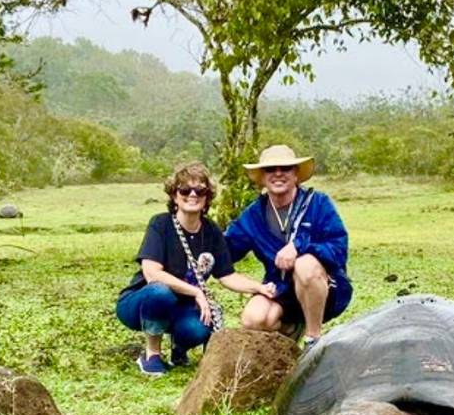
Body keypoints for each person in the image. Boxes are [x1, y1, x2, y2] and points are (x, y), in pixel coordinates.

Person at [116, 162, 277, 376]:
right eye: (185, 190)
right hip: (141, 302)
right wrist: (196, 292)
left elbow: (227, 275)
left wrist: (259, 287)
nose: (192, 195)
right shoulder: (161, 224)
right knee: (160, 292)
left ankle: (179, 347)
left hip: (182, 307)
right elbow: (152, 273)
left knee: (199, 328)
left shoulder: (212, 232)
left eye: (200, 190)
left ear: (207, 198)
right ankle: (151, 354)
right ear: (174, 196)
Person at [226, 144, 353, 347]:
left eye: (285, 168)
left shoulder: (318, 204)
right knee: (253, 319)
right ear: (262, 177)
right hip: (280, 288)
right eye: (270, 169)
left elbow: (339, 247)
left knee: (305, 265)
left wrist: (299, 247)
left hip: (324, 288)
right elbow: (227, 250)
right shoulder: (254, 215)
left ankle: (313, 338)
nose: (278, 174)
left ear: (296, 175)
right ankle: (291, 329)